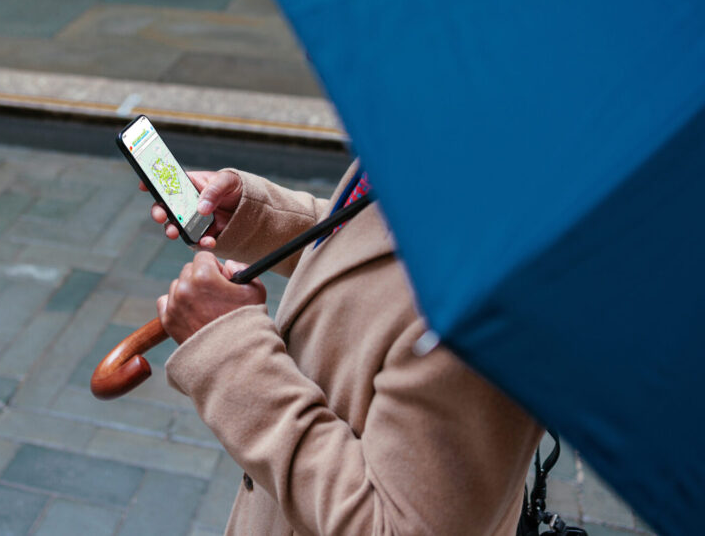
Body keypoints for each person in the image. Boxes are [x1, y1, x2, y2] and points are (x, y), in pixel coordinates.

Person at [144, 163, 542, 535]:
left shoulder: (492, 292)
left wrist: (229, 349)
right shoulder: (428, 152)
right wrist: (255, 218)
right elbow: (368, 239)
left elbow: (391, 525)